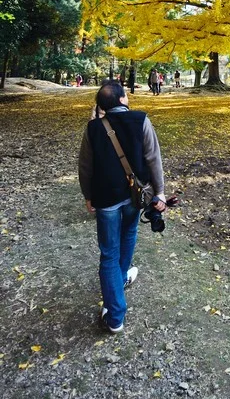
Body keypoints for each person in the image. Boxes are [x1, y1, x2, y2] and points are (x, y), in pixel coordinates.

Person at [78, 80, 166, 333]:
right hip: (134, 196)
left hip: (105, 199)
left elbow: (85, 166)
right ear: (122, 99)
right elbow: (153, 158)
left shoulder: (93, 128)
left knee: (108, 253)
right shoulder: (141, 120)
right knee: (128, 233)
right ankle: (117, 299)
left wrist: (88, 195)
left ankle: (115, 313)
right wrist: (159, 192)